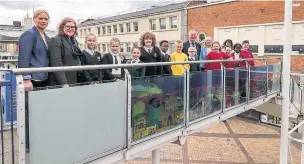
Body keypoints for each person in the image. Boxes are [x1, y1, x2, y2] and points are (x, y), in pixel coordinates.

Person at [18, 9, 50, 90]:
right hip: (33, 78)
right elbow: (24, 57)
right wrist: (26, 79)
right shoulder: (29, 34)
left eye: (46, 19)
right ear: (34, 19)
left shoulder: (47, 37)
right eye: (40, 18)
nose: (43, 21)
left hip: (44, 76)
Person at [48, 17, 82, 87]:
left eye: (73, 27)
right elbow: (56, 63)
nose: (70, 29)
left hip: (74, 79)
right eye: (67, 26)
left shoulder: (74, 41)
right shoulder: (55, 40)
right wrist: (63, 83)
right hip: (62, 82)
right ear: (62, 27)